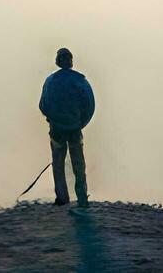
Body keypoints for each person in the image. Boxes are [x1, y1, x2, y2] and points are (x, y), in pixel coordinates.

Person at [39, 47, 95, 207]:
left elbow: (43, 105)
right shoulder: (79, 81)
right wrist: (80, 122)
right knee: (78, 162)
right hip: (74, 129)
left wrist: (52, 118)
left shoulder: (50, 81)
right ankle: (82, 197)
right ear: (70, 61)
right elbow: (89, 105)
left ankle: (62, 198)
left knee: (58, 162)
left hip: (57, 129)